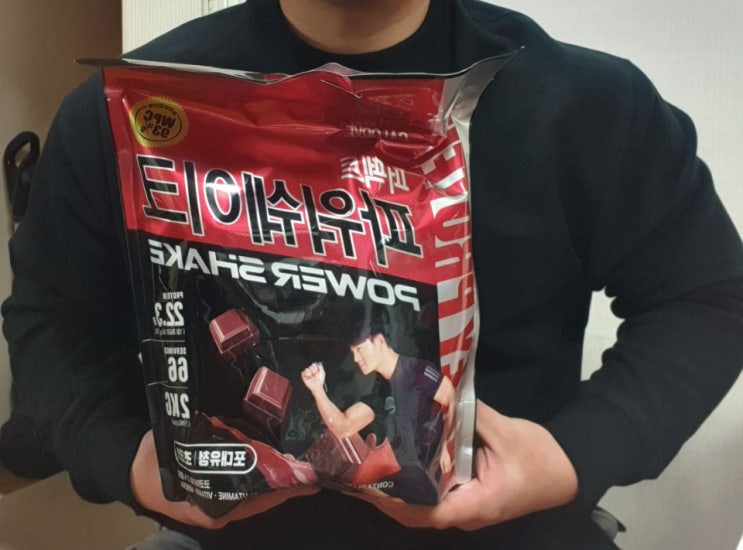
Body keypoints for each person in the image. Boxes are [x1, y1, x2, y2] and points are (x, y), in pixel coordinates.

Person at [2, 0, 742, 548]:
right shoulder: (129, 109)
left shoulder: (588, 106)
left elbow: (709, 296)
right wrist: (125, 458)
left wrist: (572, 455)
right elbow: (52, 318)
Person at [301, 318, 456, 503]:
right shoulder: (381, 391)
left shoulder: (417, 371)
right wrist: (317, 390)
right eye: (353, 352)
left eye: (359, 349)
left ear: (380, 341)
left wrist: (448, 446)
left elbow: (454, 398)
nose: (356, 359)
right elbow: (343, 427)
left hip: (436, 481)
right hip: (411, 482)